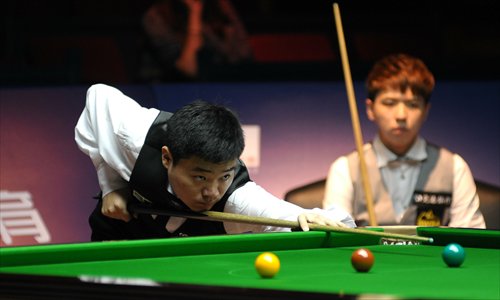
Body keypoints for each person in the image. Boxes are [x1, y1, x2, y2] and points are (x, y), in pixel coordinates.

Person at [75, 84, 355, 241]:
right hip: (116, 242)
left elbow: (288, 216)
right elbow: (98, 95)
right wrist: (111, 184)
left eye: (224, 176)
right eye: (200, 178)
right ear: (166, 157)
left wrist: (317, 218)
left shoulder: (238, 198)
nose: (212, 192)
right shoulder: (137, 135)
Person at [322, 53, 485, 228]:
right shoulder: (345, 169)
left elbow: (469, 241)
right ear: (370, 109)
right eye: (390, 103)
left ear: (425, 111)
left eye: (413, 104)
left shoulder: (454, 168)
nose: (401, 115)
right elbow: (335, 239)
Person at [139, 0, 252, 82]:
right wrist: (195, 12)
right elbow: (187, 71)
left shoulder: (217, 7)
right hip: (164, 90)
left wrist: (228, 31)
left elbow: (243, 56)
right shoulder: (156, 16)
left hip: (220, 86)